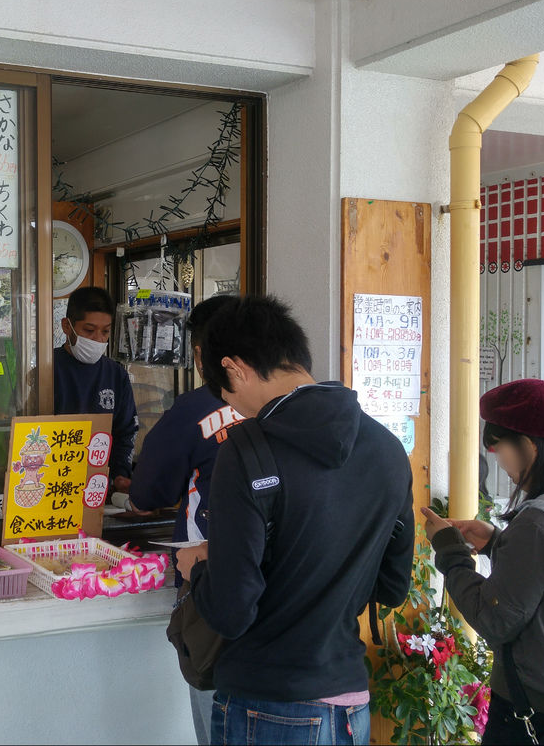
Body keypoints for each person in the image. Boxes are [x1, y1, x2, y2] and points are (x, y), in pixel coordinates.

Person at [175, 295, 414, 746]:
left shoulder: (246, 450)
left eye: (227, 393)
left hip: (266, 703)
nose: (236, 407)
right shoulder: (387, 449)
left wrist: (198, 568)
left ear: (235, 368)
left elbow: (231, 611)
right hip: (350, 702)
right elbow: (392, 586)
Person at [422, 379, 544, 746]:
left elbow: (494, 619)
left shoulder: (539, 524)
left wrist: (450, 552)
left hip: (530, 709)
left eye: (499, 449)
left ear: (530, 446)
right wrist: (497, 543)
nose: (500, 463)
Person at [127, 293, 242, 746]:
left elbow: (146, 495)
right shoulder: (288, 407)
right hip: (288, 602)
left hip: (209, 588)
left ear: (199, 352)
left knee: (217, 718)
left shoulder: (195, 408)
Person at [54, 286, 138, 494]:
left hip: (100, 489)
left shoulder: (116, 375)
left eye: (105, 331)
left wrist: (120, 474)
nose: (98, 339)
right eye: (89, 330)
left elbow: (126, 431)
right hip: (53, 484)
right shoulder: (46, 370)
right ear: (67, 326)